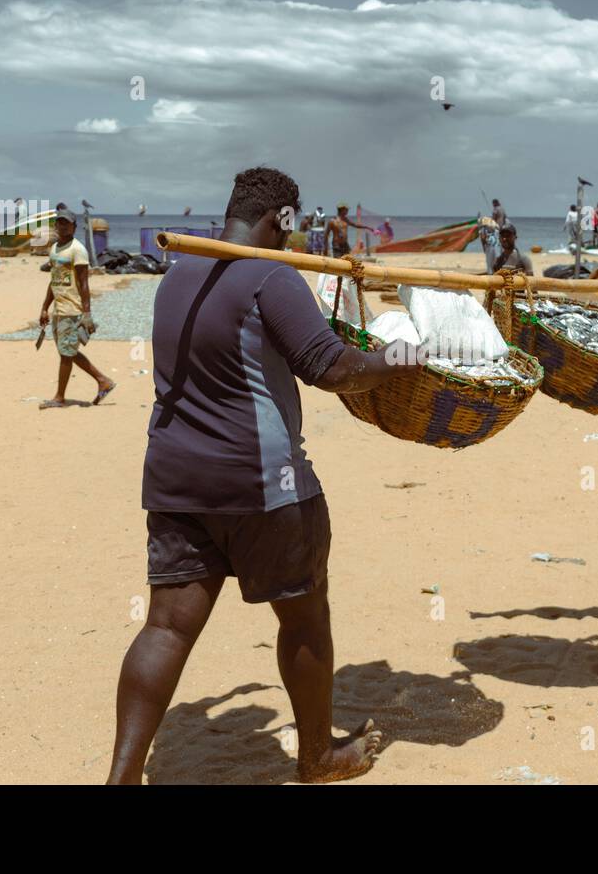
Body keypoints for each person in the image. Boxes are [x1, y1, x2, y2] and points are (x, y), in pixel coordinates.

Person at [108, 166, 425, 785]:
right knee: (305, 617)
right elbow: (333, 369)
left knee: (166, 628)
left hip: (175, 480)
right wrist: (397, 358)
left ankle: (119, 781)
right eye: (295, 223)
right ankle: (316, 758)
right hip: (264, 486)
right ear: (281, 218)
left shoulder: (178, 276)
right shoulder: (273, 276)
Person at [37, 207, 115, 409]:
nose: (62, 226)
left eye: (66, 223)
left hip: (72, 310)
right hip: (58, 309)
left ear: (74, 226)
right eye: (59, 222)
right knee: (68, 351)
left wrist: (87, 313)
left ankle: (60, 397)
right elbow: (54, 281)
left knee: (66, 353)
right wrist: (45, 307)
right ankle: (103, 381)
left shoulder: (78, 250)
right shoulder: (54, 249)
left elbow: (84, 284)